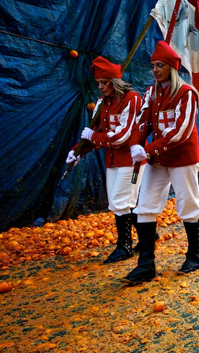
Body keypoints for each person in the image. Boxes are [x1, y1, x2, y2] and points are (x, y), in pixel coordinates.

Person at [121, 41, 199, 284]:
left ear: (172, 68)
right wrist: (136, 144)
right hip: (157, 158)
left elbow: (181, 131)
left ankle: (195, 254)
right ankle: (146, 264)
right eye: (153, 66)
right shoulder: (151, 92)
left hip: (181, 157)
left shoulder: (186, 93)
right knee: (144, 205)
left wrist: (146, 150)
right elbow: (142, 120)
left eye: (160, 66)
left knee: (187, 202)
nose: (155, 70)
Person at [66, 56, 145, 264]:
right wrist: (78, 152)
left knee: (122, 202)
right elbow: (94, 131)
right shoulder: (102, 102)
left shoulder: (132, 98)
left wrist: (94, 137)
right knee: (121, 203)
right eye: (98, 83)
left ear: (115, 81)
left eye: (104, 82)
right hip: (111, 159)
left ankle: (124, 246)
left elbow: (123, 135)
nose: (100, 87)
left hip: (131, 159)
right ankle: (148, 236)